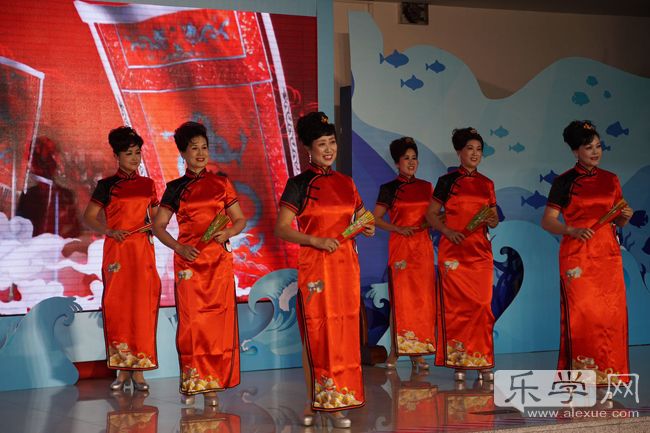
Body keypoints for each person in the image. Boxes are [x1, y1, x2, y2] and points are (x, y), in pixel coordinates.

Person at [274, 112, 374, 428]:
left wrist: (366, 227)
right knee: (317, 333)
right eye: (322, 144)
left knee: (344, 332)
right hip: (317, 267)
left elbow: (361, 217)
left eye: (332, 142)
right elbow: (281, 228)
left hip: (346, 267)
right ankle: (314, 399)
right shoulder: (299, 184)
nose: (329, 149)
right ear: (309, 148)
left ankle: (338, 400)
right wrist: (314, 239)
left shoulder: (347, 183)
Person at [152, 121, 247, 406]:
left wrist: (228, 233)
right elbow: (158, 226)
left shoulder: (221, 183)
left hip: (218, 262)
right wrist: (179, 247)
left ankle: (211, 384)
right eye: (194, 148)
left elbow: (239, 219)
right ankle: (194, 380)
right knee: (193, 325)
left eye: (204, 147)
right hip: (189, 263)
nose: (201, 153)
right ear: (183, 153)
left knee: (216, 322)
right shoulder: (175, 188)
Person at [541, 120, 632, 391]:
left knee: (610, 318)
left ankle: (608, 375)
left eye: (598, 146)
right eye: (588, 147)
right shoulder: (564, 181)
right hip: (578, 257)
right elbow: (548, 221)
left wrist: (625, 217)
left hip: (608, 257)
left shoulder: (611, 179)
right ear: (575, 151)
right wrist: (570, 229)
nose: (595, 152)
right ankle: (581, 377)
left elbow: (618, 219)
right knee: (582, 317)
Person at [83, 126, 161, 391]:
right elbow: (89, 216)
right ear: (117, 156)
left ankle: (139, 370)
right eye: (129, 154)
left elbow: (157, 218)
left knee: (142, 307)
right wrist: (108, 230)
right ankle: (121, 368)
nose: (135, 158)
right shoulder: (107, 186)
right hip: (117, 249)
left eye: (137, 153)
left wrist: (157, 225)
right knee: (118, 307)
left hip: (142, 250)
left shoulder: (148, 184)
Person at [426, 127, 498, 382]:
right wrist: (447, 231)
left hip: (480, 253)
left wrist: (492, 219)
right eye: (470, 149)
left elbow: (493, 218)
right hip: (454, 252)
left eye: (479, 150)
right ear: (459, 152)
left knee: (482, 306)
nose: (475, 154)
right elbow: (431, 214)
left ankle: (481, 359)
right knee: (457, 308)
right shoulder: (447, 182)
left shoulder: (487, 184)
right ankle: (460, 361)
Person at [373, 137, 436, 371]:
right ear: (397, 163)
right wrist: (397, 228)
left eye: (414, 158)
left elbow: (432, 216)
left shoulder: (427, 187)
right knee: (401, 301)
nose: (411, 162)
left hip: (423, 248)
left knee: (422, 301)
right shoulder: (389, 188)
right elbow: (375, 218)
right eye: (406, 158)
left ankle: (417, 352)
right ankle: (396, 350)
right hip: (401, 248)